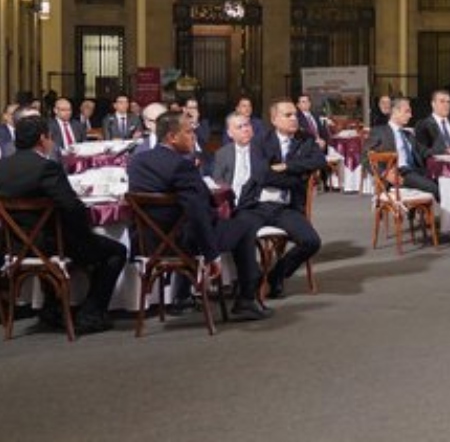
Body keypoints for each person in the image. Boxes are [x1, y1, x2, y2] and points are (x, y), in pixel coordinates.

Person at [126, 110, 271, 320]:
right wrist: (212, 255)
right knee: (245, 225)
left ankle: (182, 295)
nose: (194, 136)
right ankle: (246, 299)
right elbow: (199, 212)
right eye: (188, 132)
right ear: (172, 137)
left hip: (149, 242)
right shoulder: (182, 166)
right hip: (184, 242)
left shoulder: (137, 162)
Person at [0, 114, 127, 334]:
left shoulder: (3, 167)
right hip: (50, 245)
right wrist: (84, 238)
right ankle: (91, 313)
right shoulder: (46, 168)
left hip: (15, 245)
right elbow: (72, 208)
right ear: (43, 138)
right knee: (115, 251)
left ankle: (53, 307)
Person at [240, 98, 325, 299]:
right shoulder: (261, 140)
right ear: (274, 119)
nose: (294, 119)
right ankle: (247, 283)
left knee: (311, 242)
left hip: (287, 207)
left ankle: (276, 275)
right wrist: (295, 179)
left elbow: (319, 161)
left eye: (295, 114)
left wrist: (288, 167)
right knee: (240, 235)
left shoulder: (306, 139)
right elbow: (261, 175)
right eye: (288, 115)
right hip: (257, 204)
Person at [366, 98, 440, 200]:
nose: (410, 115)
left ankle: (414, 212)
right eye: (407, 111)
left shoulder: (408, 134)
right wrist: (384, 173)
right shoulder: (379, 132)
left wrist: (446, 151)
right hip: (398, 173)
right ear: (395, 112)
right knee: (435, 188)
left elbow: (424, 151)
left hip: (416, 171)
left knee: (443, 181)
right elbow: (366, 157)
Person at [415, 89, 450, 155]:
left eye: (448, 102)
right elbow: (422, 151)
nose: (446, 105)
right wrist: (445, 152)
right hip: (437, 163)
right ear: (433, 104)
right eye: (442, 101)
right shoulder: (423, 125)